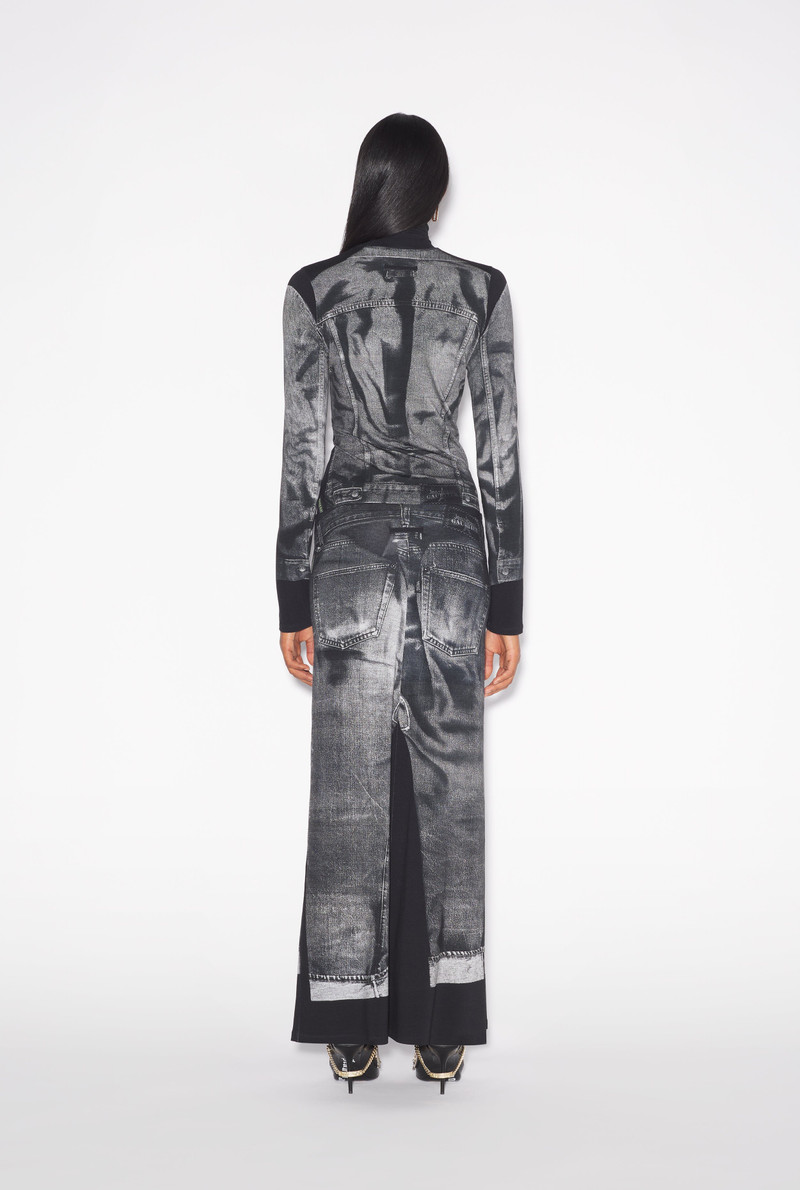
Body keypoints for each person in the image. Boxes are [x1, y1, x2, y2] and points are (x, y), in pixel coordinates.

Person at [276, 112, 524, 1094]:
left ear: (370, 181)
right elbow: (500, 452)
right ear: (435, 190)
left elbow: (302, 450)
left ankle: (351, 1024)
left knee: (350, 789)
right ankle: (441, 1027)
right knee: (446, 790)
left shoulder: (314, 291)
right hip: (455, 555)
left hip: (349, 556)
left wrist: (290, 592)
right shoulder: (482, 290)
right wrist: (507, 604)